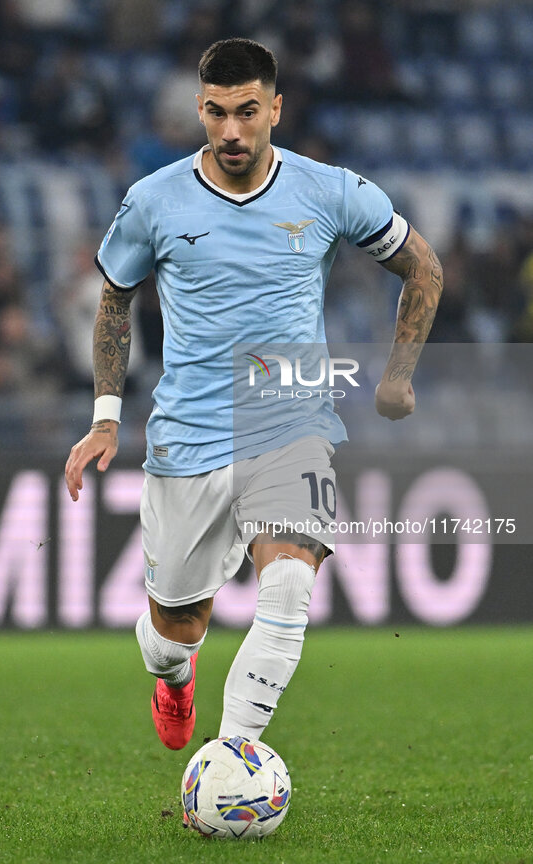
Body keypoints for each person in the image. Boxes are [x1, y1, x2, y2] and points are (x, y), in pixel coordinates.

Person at [65, 38, 443, 751]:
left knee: (290, 586)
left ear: (275, 107)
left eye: (245, 112)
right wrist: (105, 419)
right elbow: (114, 301)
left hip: (289, 423)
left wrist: (398, 374)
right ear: (198, 111)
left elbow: (422, 267)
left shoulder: (330, 191)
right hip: (187, 437)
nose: (230, 130)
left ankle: (231, 759)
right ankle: (175, 680)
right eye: (215, 113)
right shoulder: (153, 201)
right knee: (173, 634)